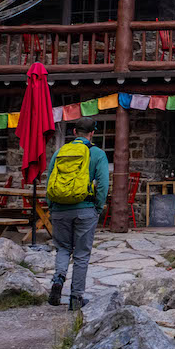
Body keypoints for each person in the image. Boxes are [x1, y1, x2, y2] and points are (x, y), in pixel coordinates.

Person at [45, 117, 109, 310]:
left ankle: (58, 281)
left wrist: (52, 206)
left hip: (59, 209)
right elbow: (103, 184)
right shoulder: (97, 154)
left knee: (63, 248)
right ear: (93, 133)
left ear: (74, 132)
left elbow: (49, 180)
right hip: (85, 209)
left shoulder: (59, 152)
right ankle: (75, 298)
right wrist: (97, 207)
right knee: (81, 255)